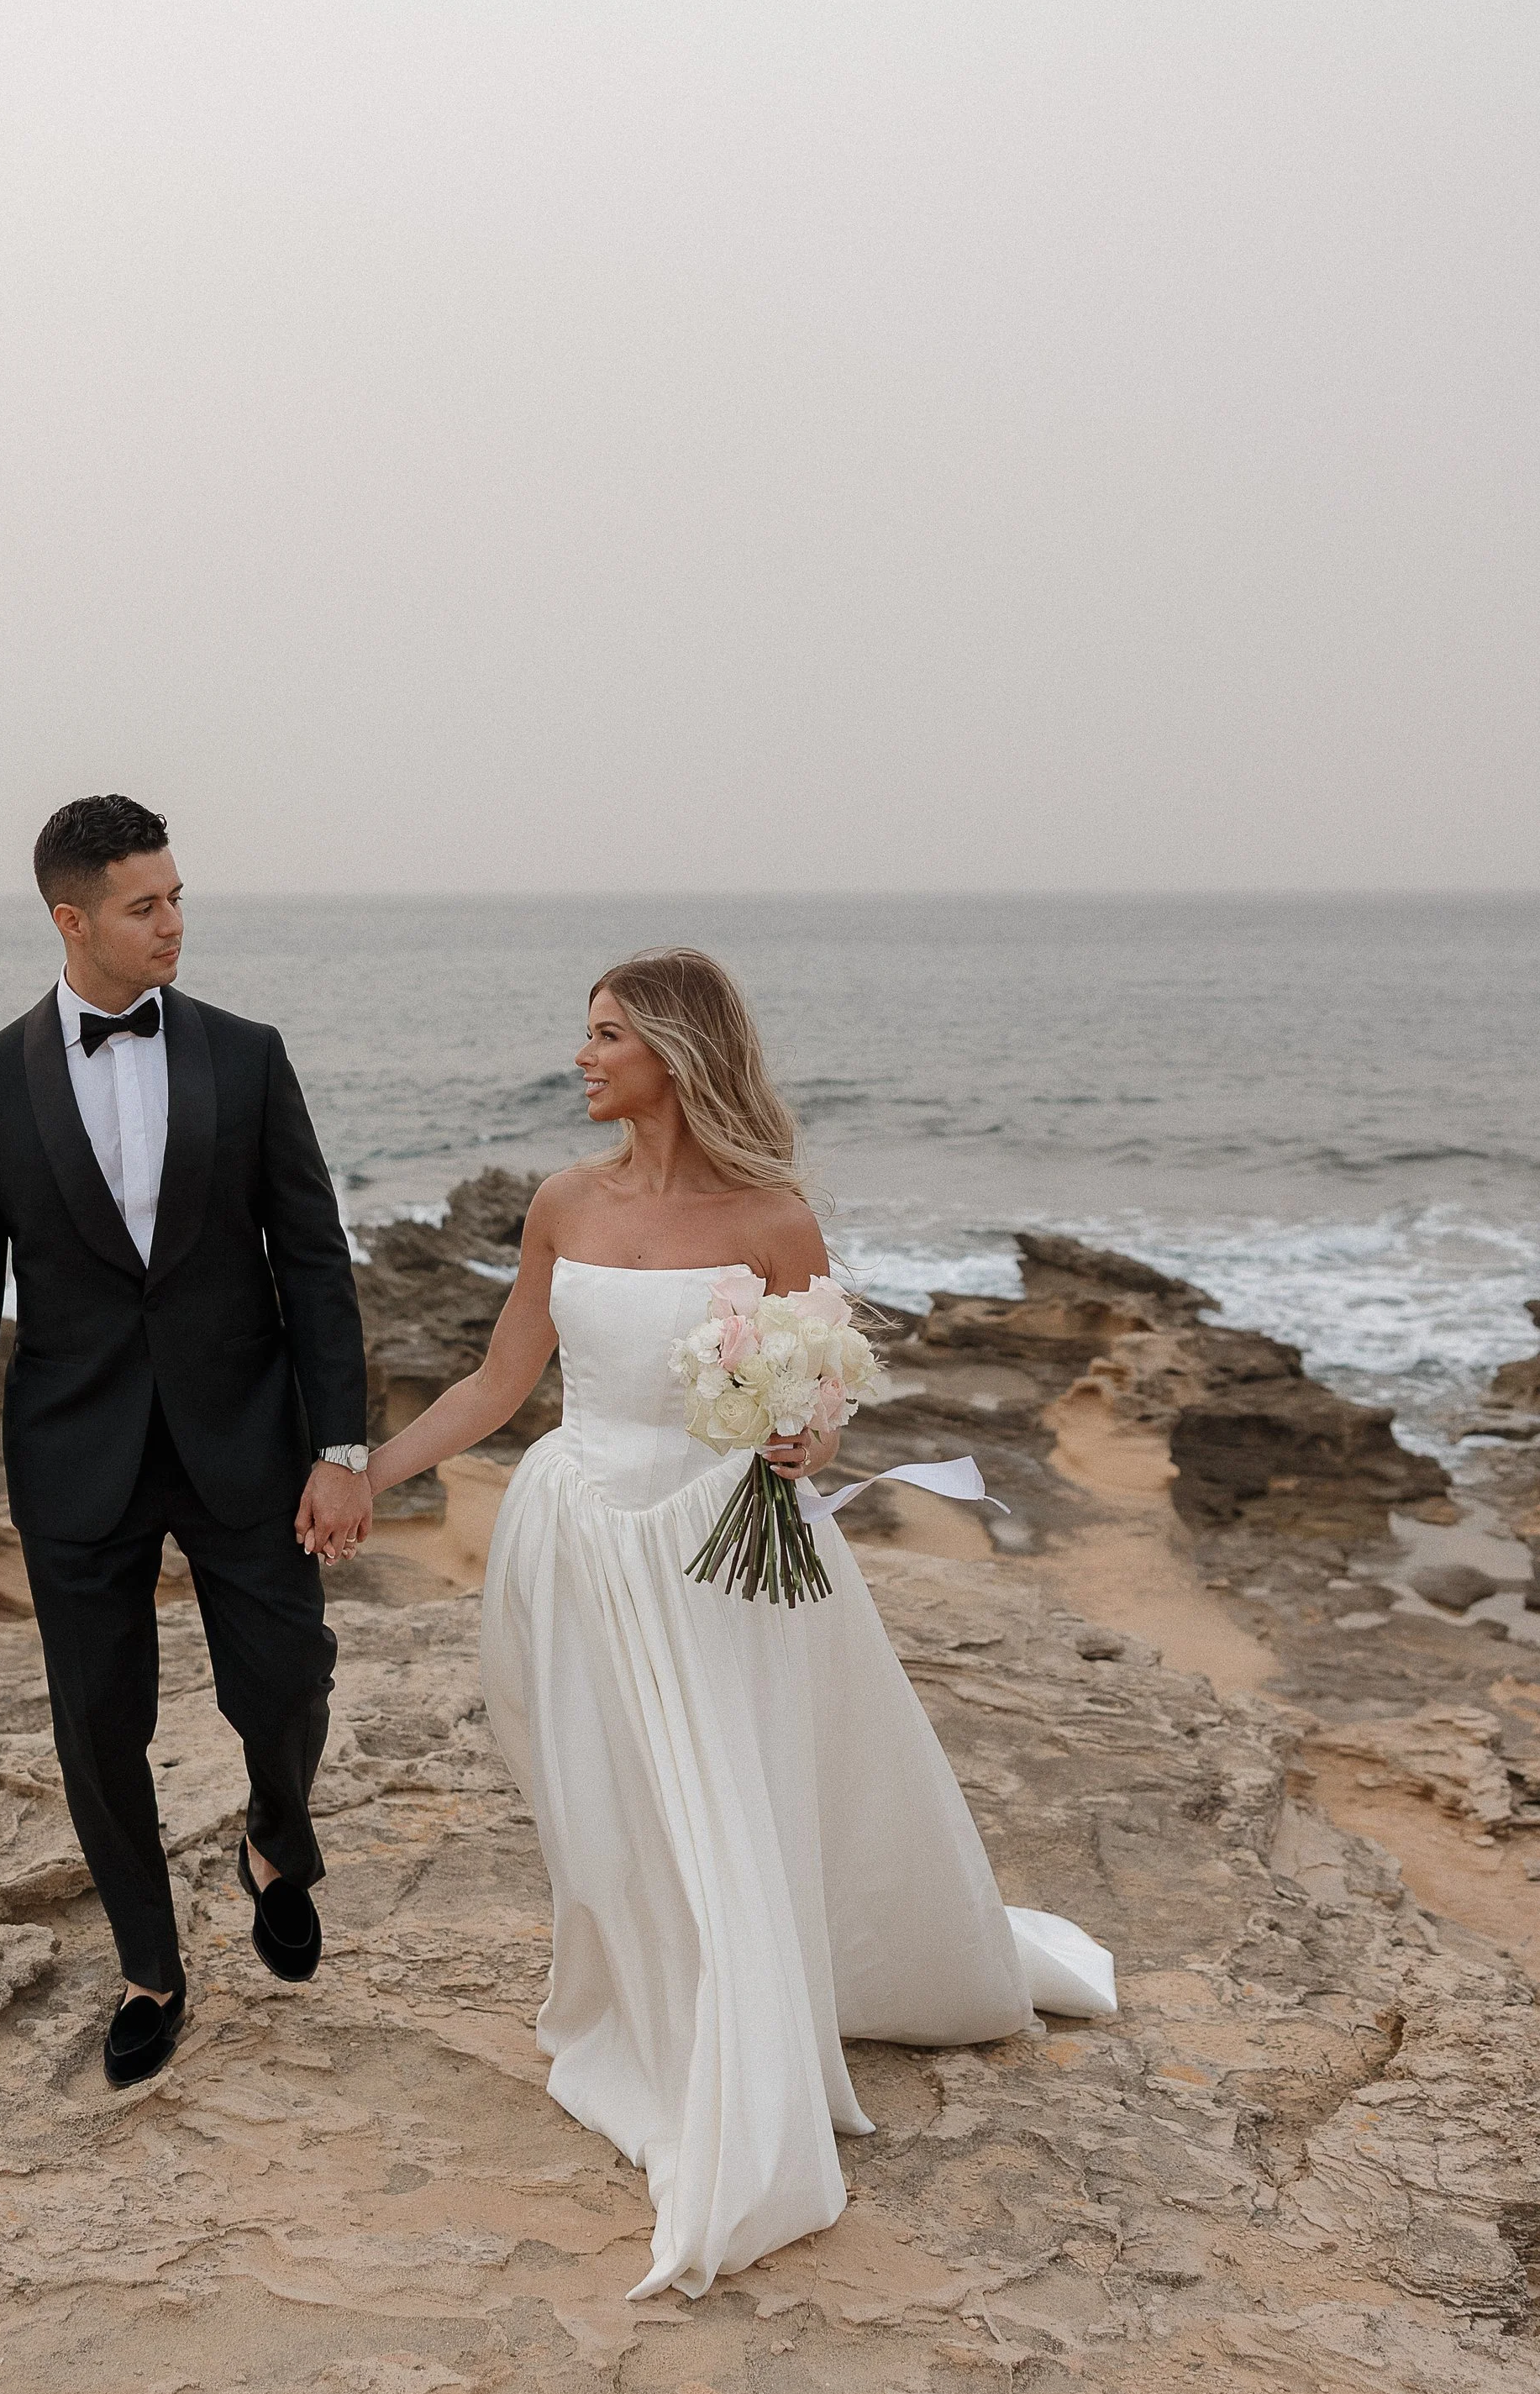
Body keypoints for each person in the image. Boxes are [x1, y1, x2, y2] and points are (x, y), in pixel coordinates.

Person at [366, 948, 1115, 2300]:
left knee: (719, 1798)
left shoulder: (770, 1221)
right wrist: (368, 1471)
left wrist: (802, 1432)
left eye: (604, 1035)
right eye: (583, 1035)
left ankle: (733, 2045)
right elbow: (497, 1379)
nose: (581, 1058)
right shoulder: (561, 1200)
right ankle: (651, 2009)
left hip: (717, 1551)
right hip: (582, 1534)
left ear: (673, 1050)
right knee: (603, 1800)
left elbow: (820, 1415)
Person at [0, 795, 373, 2090]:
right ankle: (149, 1968)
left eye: (178, 897)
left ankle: (278, 1840)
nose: (174, 921)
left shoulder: (247, 1053)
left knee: (286, 1678)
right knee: (97, 1724)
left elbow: (316, 1259)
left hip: (247, 1437)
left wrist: (340, 1442)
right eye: (144, 904)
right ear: (74, 919)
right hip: (76, 1459)